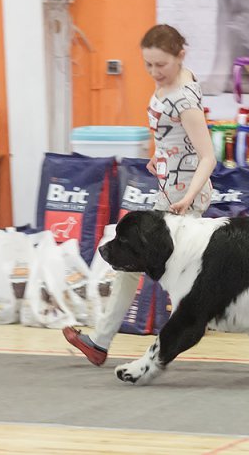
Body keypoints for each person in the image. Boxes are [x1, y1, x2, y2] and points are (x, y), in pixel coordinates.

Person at [63, 24, 216, 365]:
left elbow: (208, 156)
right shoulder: (177, 79)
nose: (153, 72)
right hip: (171, 188)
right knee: (133, 262)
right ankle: (100, 342)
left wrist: (188, 198)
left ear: (180, 56)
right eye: (148, 65)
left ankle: (190, 326)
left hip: (182, 197)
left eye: (160, 65)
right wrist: (160, 155)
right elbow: (176, 138)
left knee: (158, 266)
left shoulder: (184, 99)